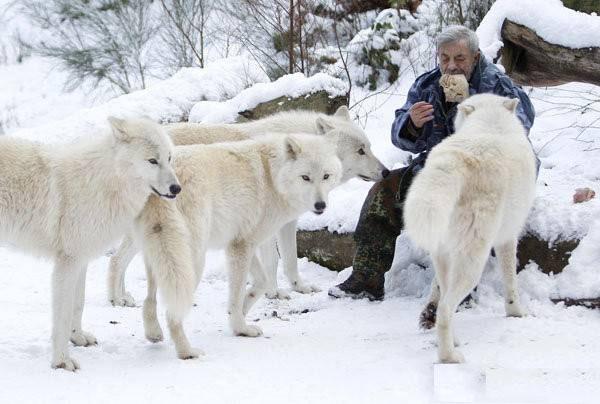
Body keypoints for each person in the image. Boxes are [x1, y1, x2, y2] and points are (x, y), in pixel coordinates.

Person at [328, 25, 537, 301]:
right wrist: (411, 124)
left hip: (487, 177)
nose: (451, 67)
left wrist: (476, 116)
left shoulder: (498, 86)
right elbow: (398, 136)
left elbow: (522, 126)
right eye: (444, 58)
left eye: (459, 59)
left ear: (475, 57)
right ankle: (366, 278)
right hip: (438, 170)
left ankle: (459, 287)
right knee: (383, 193)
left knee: (462, 205)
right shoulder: (427, 85)